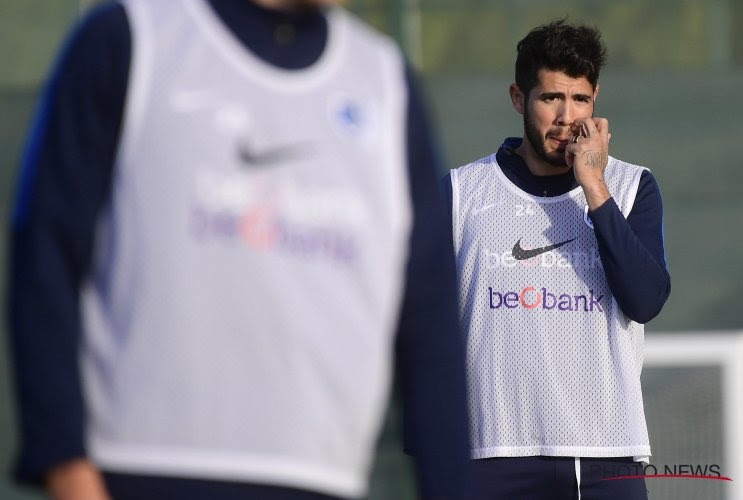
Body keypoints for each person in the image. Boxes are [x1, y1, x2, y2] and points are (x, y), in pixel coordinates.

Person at [7, 1, 470, 499]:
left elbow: (429, 328)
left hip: (319, 482)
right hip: (134, 469)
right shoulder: (131, 37)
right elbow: (45, 261)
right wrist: (66, 464)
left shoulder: (384, 79)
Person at [443, 20, 671, 500]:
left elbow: (646, 300)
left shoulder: (631, 188)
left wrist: (594, 185)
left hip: (607, 456)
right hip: (490, 454)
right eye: (551, 98)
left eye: (581, 100)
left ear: (596, 102)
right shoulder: (462, 192)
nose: (567, 116)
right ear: (518, 98)